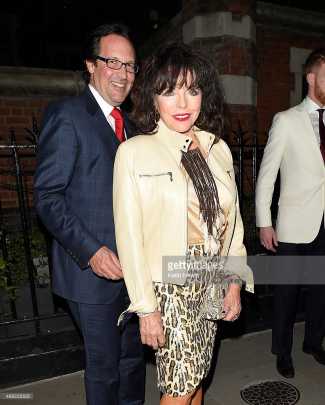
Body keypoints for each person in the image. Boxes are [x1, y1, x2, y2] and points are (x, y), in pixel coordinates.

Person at [113, 42, 254, 405]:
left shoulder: (217, 148)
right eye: (169, 91)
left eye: (192, 90)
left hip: (210, 278)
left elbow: (232, 224)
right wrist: (146, 308)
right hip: (170, 288)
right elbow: (129, 238)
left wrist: (233, 282)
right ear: (152, 98)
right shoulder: (134, 153)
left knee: (199, 374)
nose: (182, 103)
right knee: (179, 387)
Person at [34, 23, 145, 405]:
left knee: (133, 361)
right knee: (105, 368)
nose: (123, 73)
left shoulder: (131, 127)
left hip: (134, 274)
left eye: (130, 66)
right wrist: (93, 251)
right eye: (112, 61)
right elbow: (48, 196)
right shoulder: (67, 115)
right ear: (90, 66)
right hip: (90, 275)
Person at [256, 48, 325, 379]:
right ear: (311, 78)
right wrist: (264, 222)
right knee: (287, 293)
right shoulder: (286, 120)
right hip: (294, 225)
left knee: (321, 290)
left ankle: (313, 341)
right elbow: (266, 176)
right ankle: (282, 351)